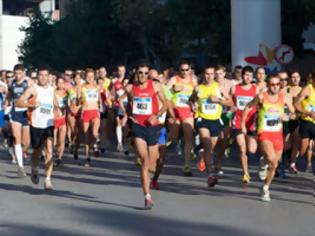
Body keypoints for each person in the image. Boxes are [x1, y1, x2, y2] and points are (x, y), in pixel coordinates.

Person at [119, 61, 167, 209]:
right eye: (140, 72)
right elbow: (121, 102)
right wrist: (128, 116)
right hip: (138, 126)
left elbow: (166, 104)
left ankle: (149, 180)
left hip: (152, 126)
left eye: (146, 73)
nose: (143, 76)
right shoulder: (130, 88)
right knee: (144, 160)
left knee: (152, 163)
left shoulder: (156, 86)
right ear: (136, 73)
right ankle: (147, 196)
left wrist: (156, 115)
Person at [242, 74, 294, 201]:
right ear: (268, 85)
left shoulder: (284, 98)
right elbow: (248, 107)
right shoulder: (261, 97)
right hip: (264, 133)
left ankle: (265, 187)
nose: (275, 87)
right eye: (273, 84)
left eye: (278, 84)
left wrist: (287, 117)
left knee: (274, 165)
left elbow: (293, 113)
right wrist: (243, 124)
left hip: (278, 134)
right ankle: (265, 160)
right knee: (271, 159)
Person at [16, 66, 57, 190]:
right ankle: (34, 167)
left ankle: (48, 180)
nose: (43, 77)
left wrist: (57, 108)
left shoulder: (52, 89)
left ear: (49, 76)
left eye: (45, 75)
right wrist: (30, 105)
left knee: (50, 150)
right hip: (36, 125)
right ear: (37, 76)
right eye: (41, 75)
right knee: (37, 151)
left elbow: (54, 102)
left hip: (48, 125)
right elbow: (19, 102)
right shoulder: (33, 89)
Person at [192, 66, 233, 186]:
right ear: (202, 75)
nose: (209, 76)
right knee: (208, 146)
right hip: (202, 119)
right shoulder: (198, 88)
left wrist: (219, 101)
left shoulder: (219, 87)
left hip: (215, 121)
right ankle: (210, 175)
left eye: (211, 74)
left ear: (214, 75)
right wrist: (193, 104)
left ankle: (201, 153)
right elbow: (191, 99)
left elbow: (230, 102)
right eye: (206, 74)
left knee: (209, 149)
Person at [167, 60, 198, 176]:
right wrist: (173, 90)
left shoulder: (193, 80)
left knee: (189, 137)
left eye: (187, 70)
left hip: (187, 112)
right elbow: (164, 93)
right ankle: (170, 141)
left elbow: (196, 95)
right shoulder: (174, 79)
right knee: (174, 138)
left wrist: (194, 103)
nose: (184, 72)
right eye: (182, 70)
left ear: (190, 70)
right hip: (175, 111)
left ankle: (187, 166)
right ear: (179, 70)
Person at [231, 66, 258, 184]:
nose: (248, 78)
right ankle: (246, 173)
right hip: (238, 122)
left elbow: (260, 105)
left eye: (250, 76)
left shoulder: (255, 89)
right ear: (242, 75)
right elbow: (230, 104)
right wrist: (231, 114)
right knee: (242, 149)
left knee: (252, 150)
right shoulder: (234, 88)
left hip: (251, 122)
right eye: (246, 75)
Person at [6, 64, 33, 177]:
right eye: (15, 73)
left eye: (19, 73)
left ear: (23, 73)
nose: (17, 75)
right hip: (15, 113)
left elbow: (35, 94)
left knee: (26, 143)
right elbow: (9, 95)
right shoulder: (11, 83)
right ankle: (20, 167)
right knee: (17, 138)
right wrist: (6, 103)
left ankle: (21, 153)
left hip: (26, 113)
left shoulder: (29, 83)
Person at [77, 68, 101, 167]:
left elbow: (99, 100)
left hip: (95, 112)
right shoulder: (81, 87)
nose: (90, 78)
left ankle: (96, 145)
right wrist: (79, 100)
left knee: (95, 132)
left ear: (94, 77)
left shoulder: (97, 87)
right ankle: (87, 157)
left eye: (92, 76)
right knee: (86, 137)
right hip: (85, 112)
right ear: (85, 77)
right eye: (88, 76)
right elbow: (77, 101)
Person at [294, 71, 315, 173]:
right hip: (306, 122)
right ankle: (294, 159)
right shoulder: (307, 89)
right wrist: (308, 112)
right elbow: (296, 104)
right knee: (302, 150)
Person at [53, 77, 68, 166]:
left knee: (62, 140)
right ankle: (53, 153)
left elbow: (71, 103)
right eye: (59, 82)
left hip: (63, 118)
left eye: (62, 82)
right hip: (54, 118)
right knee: (54, 140)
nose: (60, 84)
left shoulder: (67, 93)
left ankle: (59, 158)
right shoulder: (53, 93)